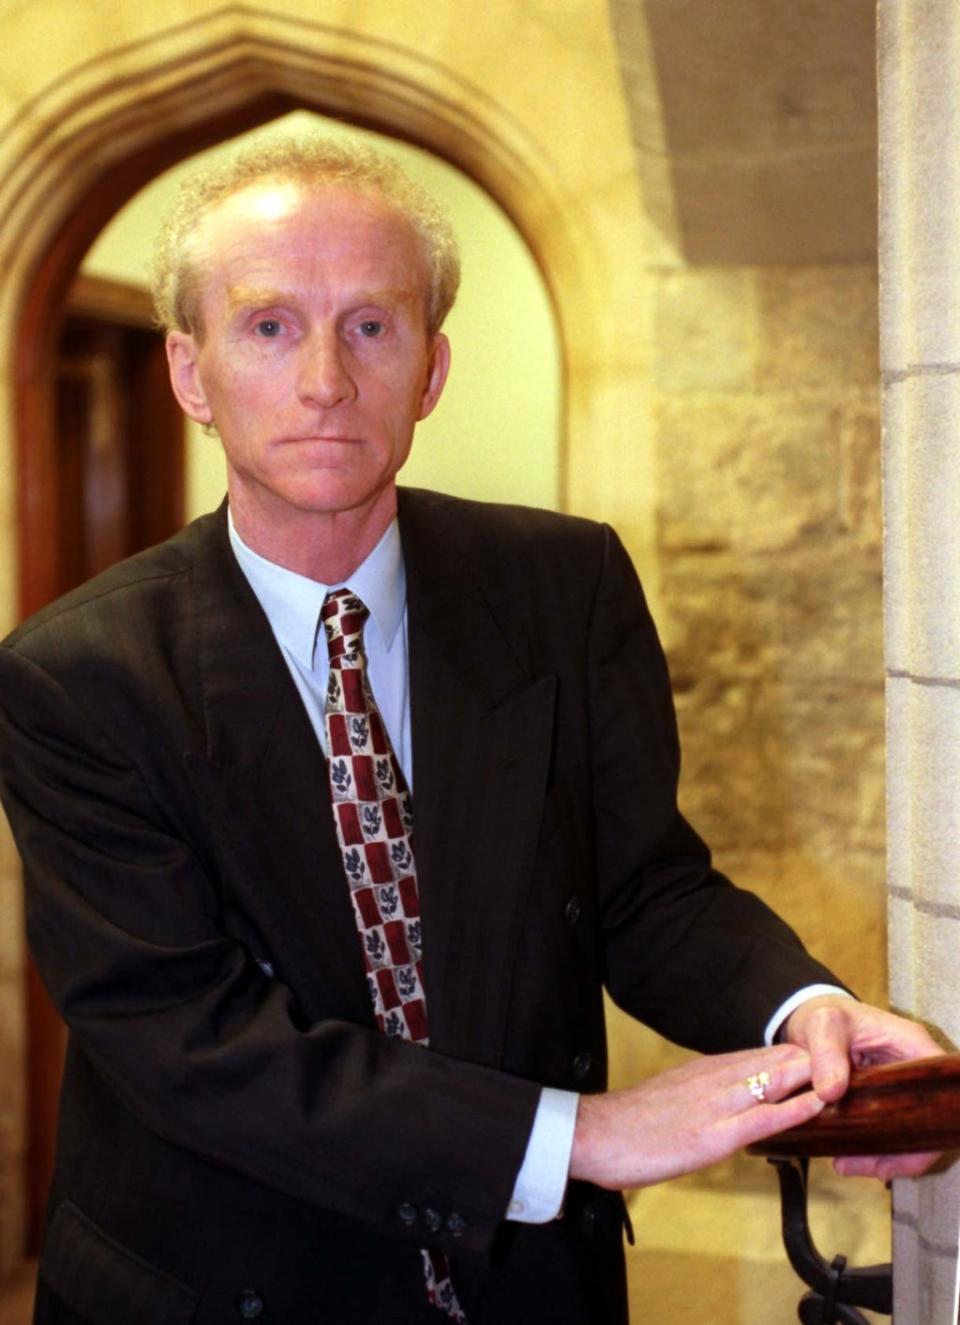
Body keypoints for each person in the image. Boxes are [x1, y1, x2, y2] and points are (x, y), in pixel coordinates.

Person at [0, 137, 940, 1325]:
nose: (328, 379)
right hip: (224, 1282)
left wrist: (805, 1011)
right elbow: (193, 1038)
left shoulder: (564, 585)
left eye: (373, 327)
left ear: (433, 368)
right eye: (270, 327)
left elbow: (641, 888)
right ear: (191, 371)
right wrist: (581, 1133)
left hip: (530, 1282)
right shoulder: (76, 677)